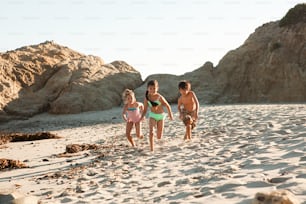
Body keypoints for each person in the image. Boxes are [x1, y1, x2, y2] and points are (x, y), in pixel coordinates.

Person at [141, 80, 173, 151]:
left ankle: (159, 141)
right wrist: (142, 117)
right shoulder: (147, 98)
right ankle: (152, 148)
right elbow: (145, 109)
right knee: (151, 132)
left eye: (154, 88)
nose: (152, 90)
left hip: (160, 116)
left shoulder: (159, 97)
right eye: (150, 88)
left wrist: (170, 115)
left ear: (157, 88)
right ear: (147, 89)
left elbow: (167, 105)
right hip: (152, 115)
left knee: (159, 136)